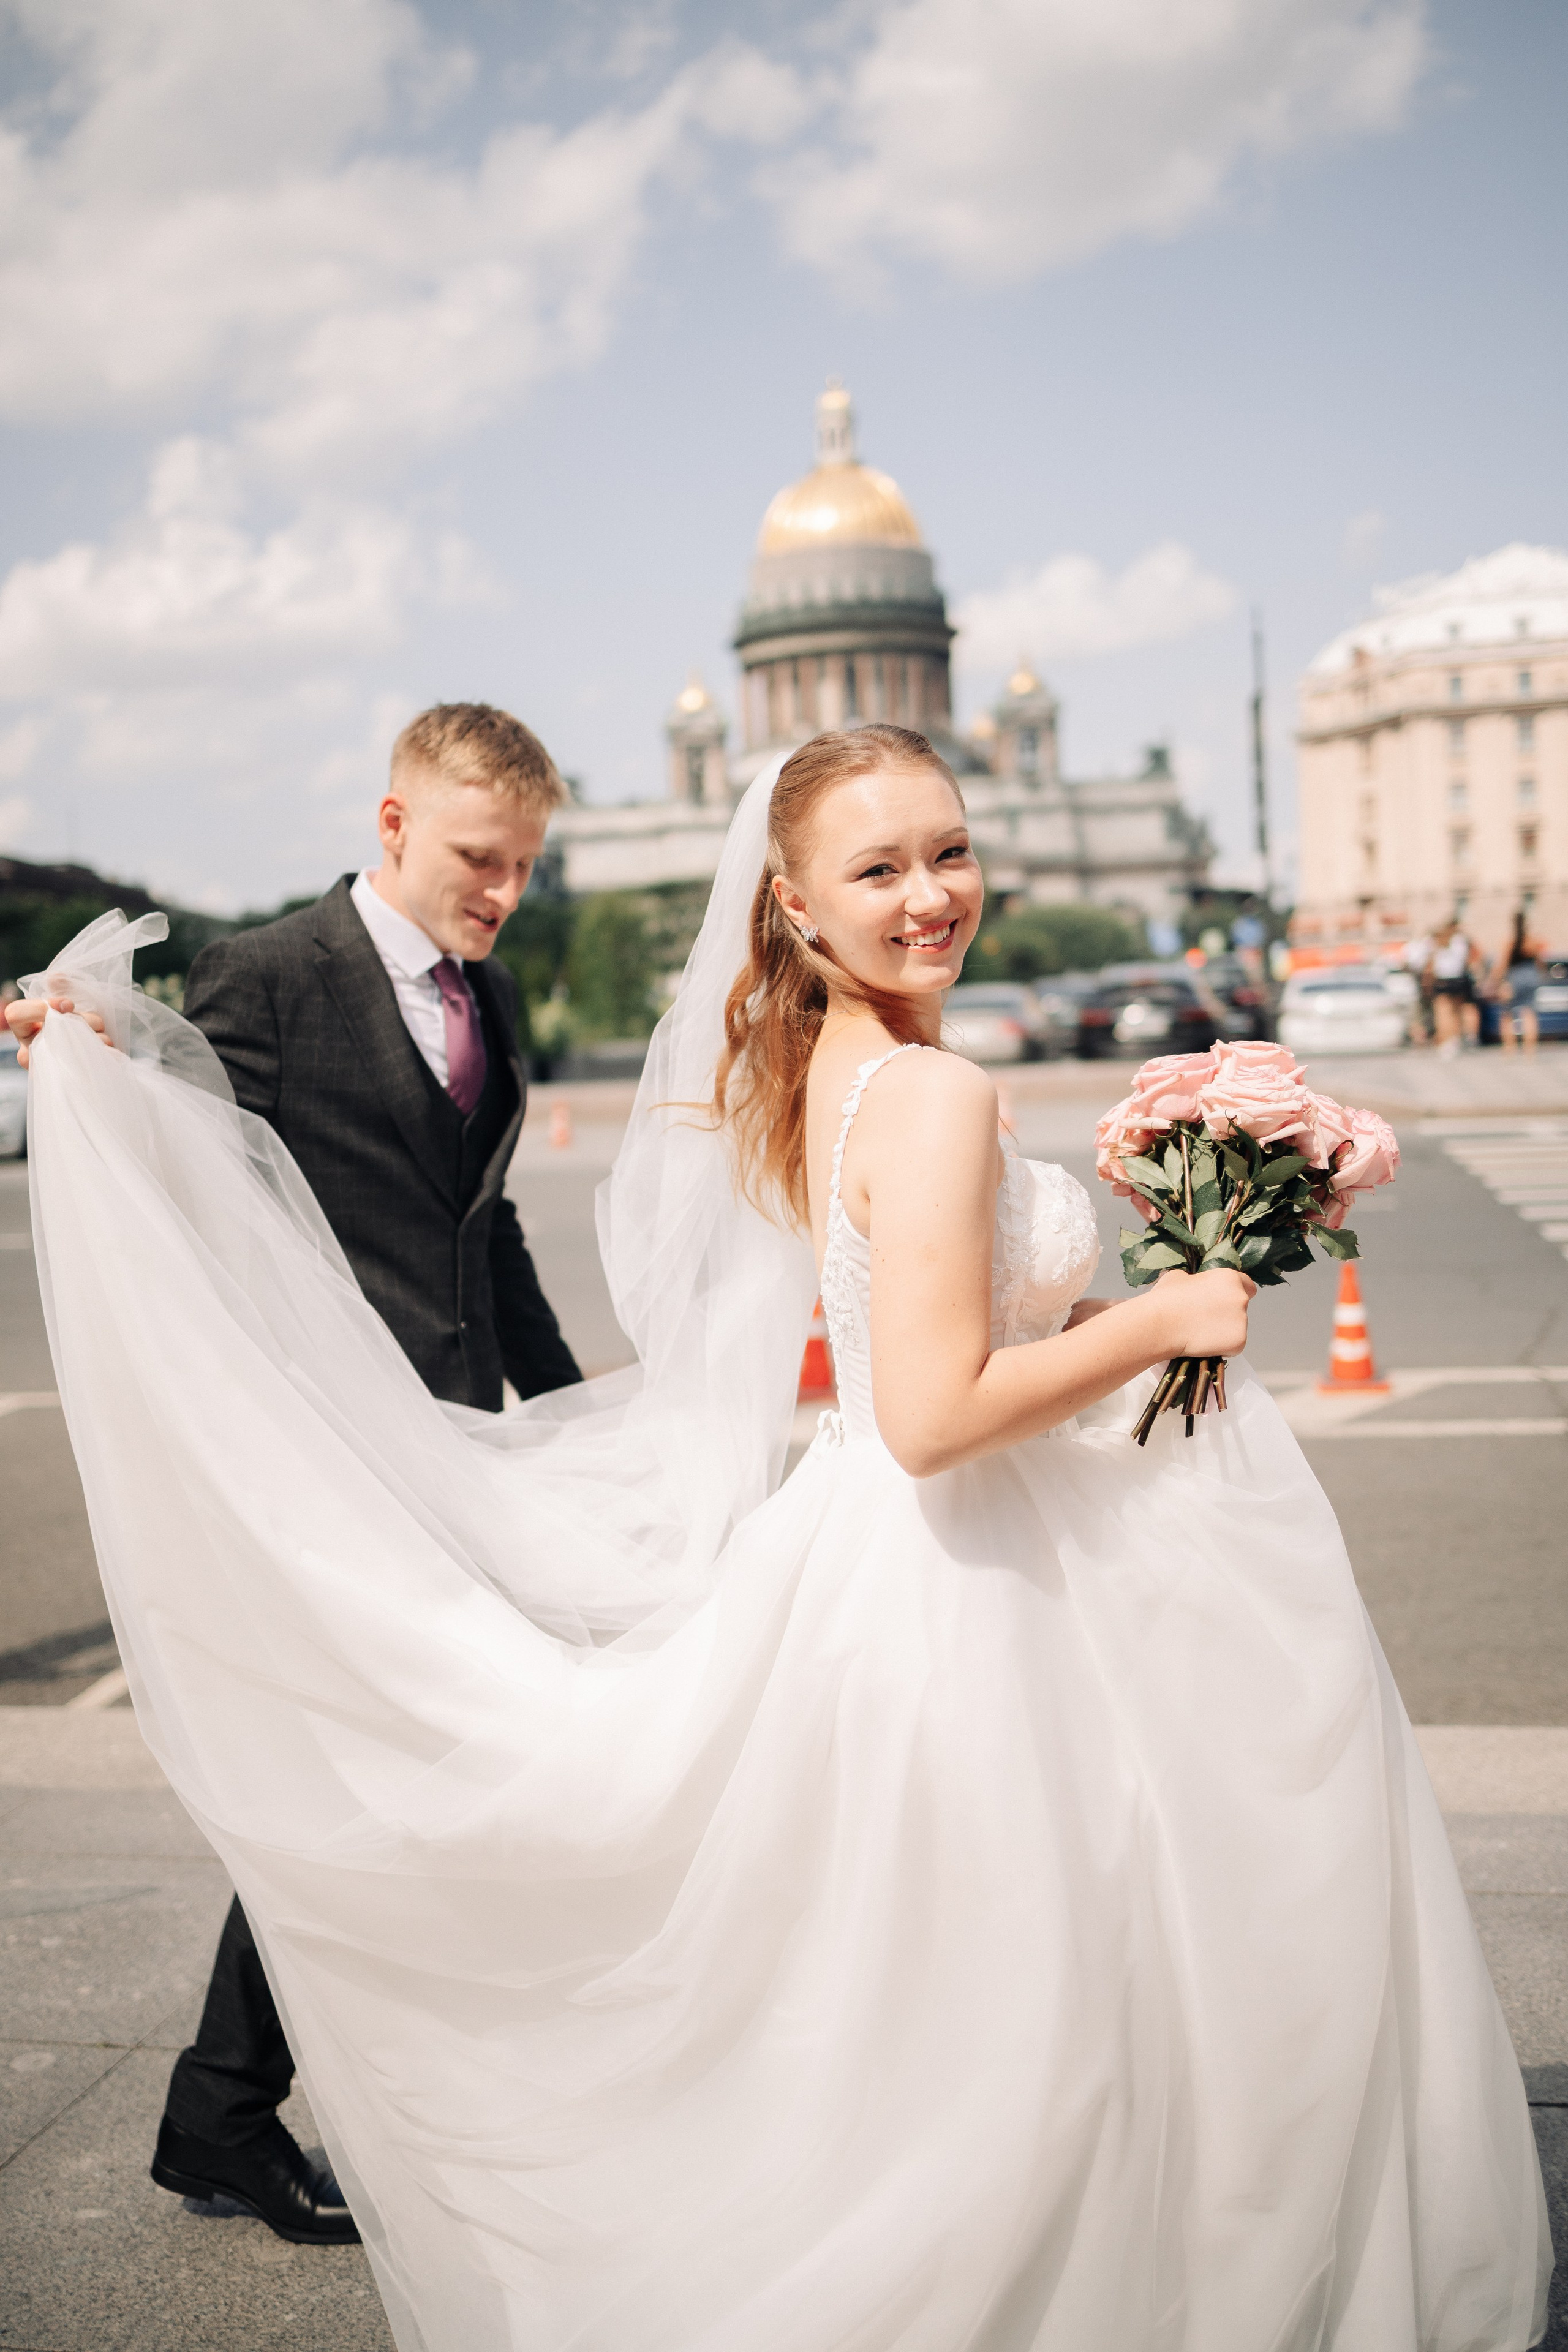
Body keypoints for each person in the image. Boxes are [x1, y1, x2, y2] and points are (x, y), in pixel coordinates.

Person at [9, 726, 1550, 2347]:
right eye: (878, 869)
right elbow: (934, 1412)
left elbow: (931, 1310)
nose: (932, 893)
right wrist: (1170, 1309)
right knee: (1061, 1987)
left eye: (948, 851)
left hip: (911, 1561)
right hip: (974, 1570)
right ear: (798, 909)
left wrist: (1107, 1311)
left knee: (984, 2003)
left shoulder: (832, 1060)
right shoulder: (935, 1089)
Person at [15, 701, 582, 2248]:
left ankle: (225, 2110)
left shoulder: (495, 988)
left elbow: (488, 1220)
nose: (503, 890)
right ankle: (239, 2108)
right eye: (481, 856)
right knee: (387, 1774)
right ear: (392, 825)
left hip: (460, 1445)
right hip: (328, 1455)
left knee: (406, 1777)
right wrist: (87, 1043)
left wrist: (573, 1416)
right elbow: (182, 1139)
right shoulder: (268, 974)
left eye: (526, 863)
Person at [1488, 908, 1547, 1057]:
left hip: (1515, 978)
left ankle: (1510, 1048)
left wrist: (1496, 981)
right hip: (1531, 977)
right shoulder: (1532, 941)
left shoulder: (1511, 941)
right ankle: (1530, 1050)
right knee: (1530, 1013)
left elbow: (1503, 964)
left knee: (1507, 1014)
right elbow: (1540, 963)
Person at [1430, 916, 1480, 1057]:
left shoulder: (1438, 940)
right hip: (1458, 979)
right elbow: (1467, 960)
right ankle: (1458, 1039)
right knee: (1458, 1012)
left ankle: (1446, 1042)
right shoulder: (1461, 940)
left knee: (1443, 1014)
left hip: (1442, 980)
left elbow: (1432, 963)